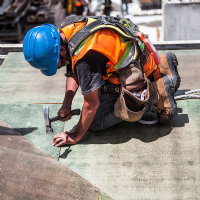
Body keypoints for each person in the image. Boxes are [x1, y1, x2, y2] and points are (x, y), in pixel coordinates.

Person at [23, 16, 180, 147]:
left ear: (62, 50)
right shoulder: (68, 27)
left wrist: (74, 136)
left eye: (54, 64)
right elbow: (73, 68)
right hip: (141, 53)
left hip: (138, 70)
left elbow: (91, 104)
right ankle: (164, 66)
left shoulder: (86, 58)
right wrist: (67, 102)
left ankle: (157, 94)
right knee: (95, 87)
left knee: (96, 122)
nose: (57, 68)